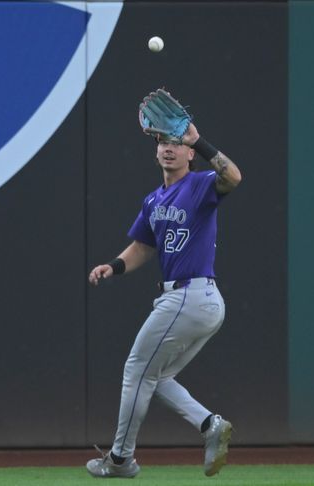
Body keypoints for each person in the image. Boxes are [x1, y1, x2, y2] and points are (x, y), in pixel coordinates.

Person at [86, 121, 242, 478]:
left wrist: (200, 140)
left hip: (190, 294)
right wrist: (113, 266)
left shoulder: (200, 184)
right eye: (162, 142)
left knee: (136, 370)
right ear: (155, 150)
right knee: (156, 377)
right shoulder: (153, 200)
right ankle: (209, 424)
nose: (169, 148)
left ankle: (121, 459)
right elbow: (143, 246)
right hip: (197, 301)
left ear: (189, 153)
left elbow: (233, 176)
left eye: (177, 143)